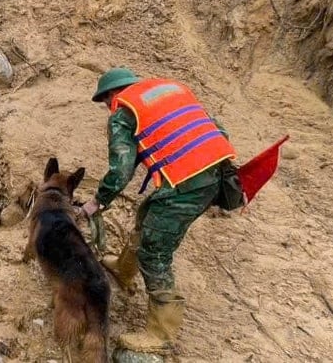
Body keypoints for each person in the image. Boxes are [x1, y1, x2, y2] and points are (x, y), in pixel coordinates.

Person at [79, 68, 240, 354]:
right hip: (217, 172)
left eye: (105, 103)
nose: (108, 109)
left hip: (186, 184)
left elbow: (121, 169)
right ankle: (124, 270)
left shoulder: (124, 110)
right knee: (147, 214)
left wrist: (98, 201)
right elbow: (218, 129)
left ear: (112, 95)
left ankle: (161, 333)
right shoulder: (170, 90)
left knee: (155, 250)